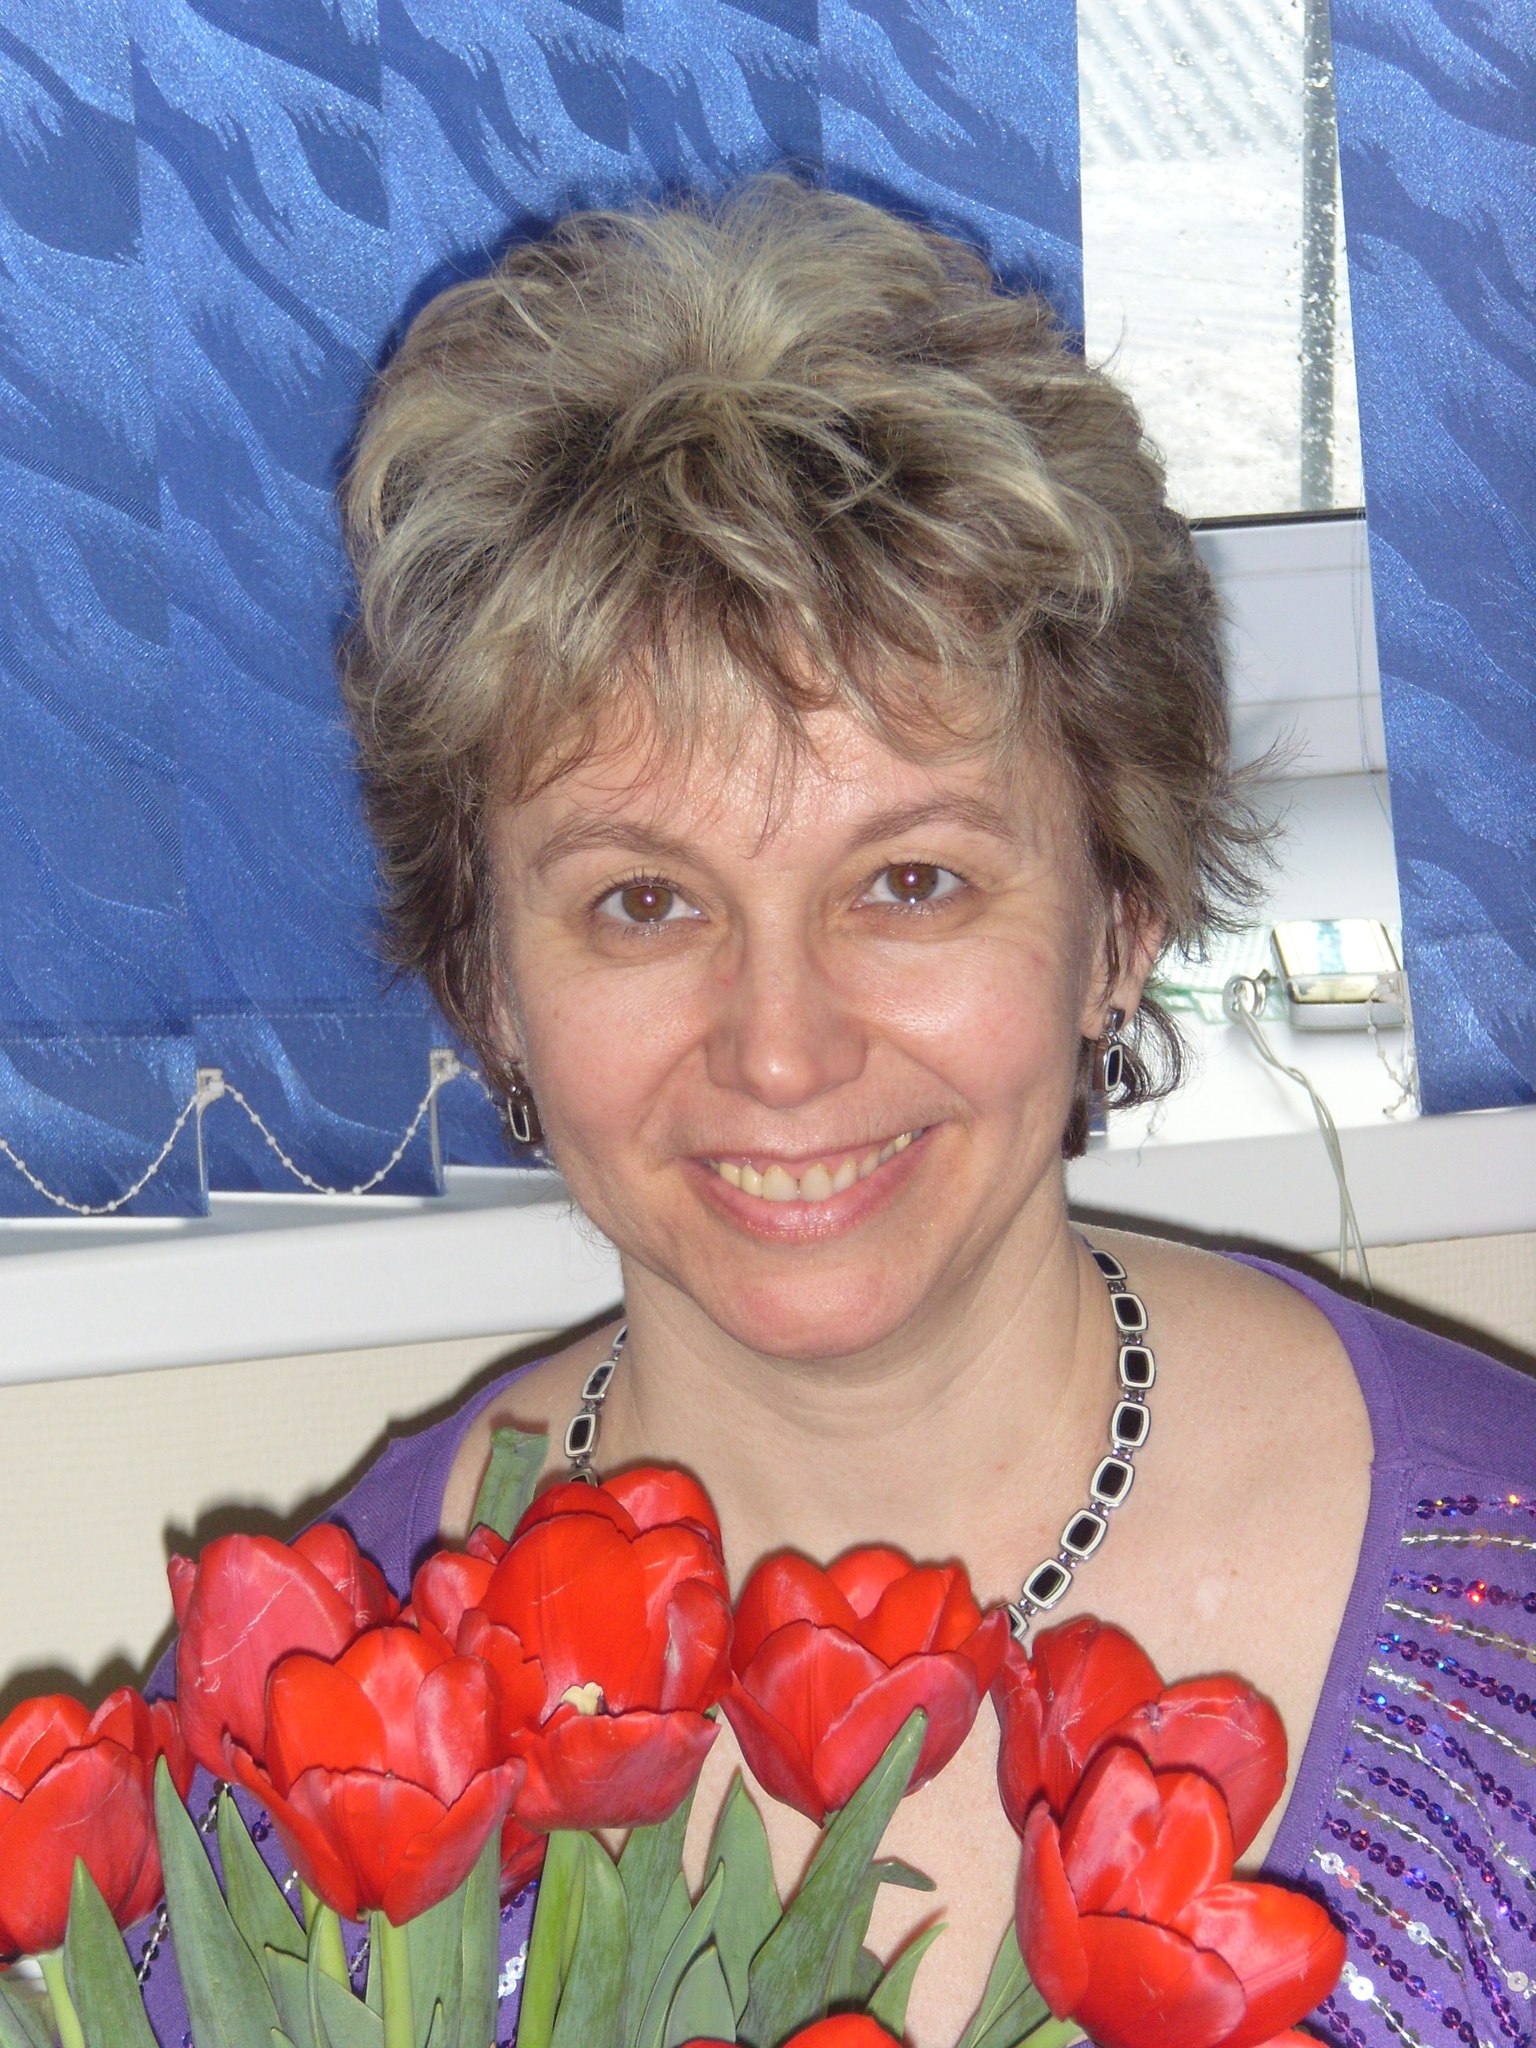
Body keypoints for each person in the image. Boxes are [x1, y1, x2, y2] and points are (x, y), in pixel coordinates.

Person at [141, 179, 1536, 2048]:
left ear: (1120, 922)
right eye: (646, 901)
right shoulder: (300, 1747)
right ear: (490, 979)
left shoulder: (1506, 1644)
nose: (781, 1050)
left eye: (912, 883)